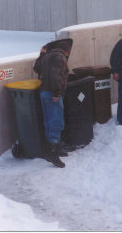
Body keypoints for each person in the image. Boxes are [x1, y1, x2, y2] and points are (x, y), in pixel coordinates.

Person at [33, 38, 73, 168]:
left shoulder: (47, 56)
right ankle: (53, 152)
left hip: (44, 92)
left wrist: (41, 54)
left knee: (48, 121)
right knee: (56, 121)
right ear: (67, 51)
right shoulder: (60, 57)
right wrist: (57, 93)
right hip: (52, 93)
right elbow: (56, 76)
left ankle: (53, 149)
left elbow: (36, 68)